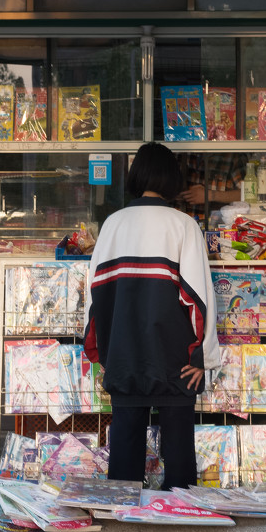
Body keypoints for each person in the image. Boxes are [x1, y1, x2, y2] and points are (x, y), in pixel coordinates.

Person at [84, 142, 220, 491]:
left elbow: (94, 297)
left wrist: (102, 355)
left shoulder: (112, 225)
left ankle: (123, 524)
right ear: (172, 179)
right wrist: (202, 357)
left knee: (125, 452)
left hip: (125, 356)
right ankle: (180, 516)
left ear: (136, 176)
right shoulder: (184, 226)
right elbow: (199, 299)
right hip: (176, 360)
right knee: (179, 455)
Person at [176, 152, 250, 221]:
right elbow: (165, 190)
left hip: (216, 227)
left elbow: (247, 194)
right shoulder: (179, 151)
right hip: (180, 223)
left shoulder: (233, 156)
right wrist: (174, 194)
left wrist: (209, 195)